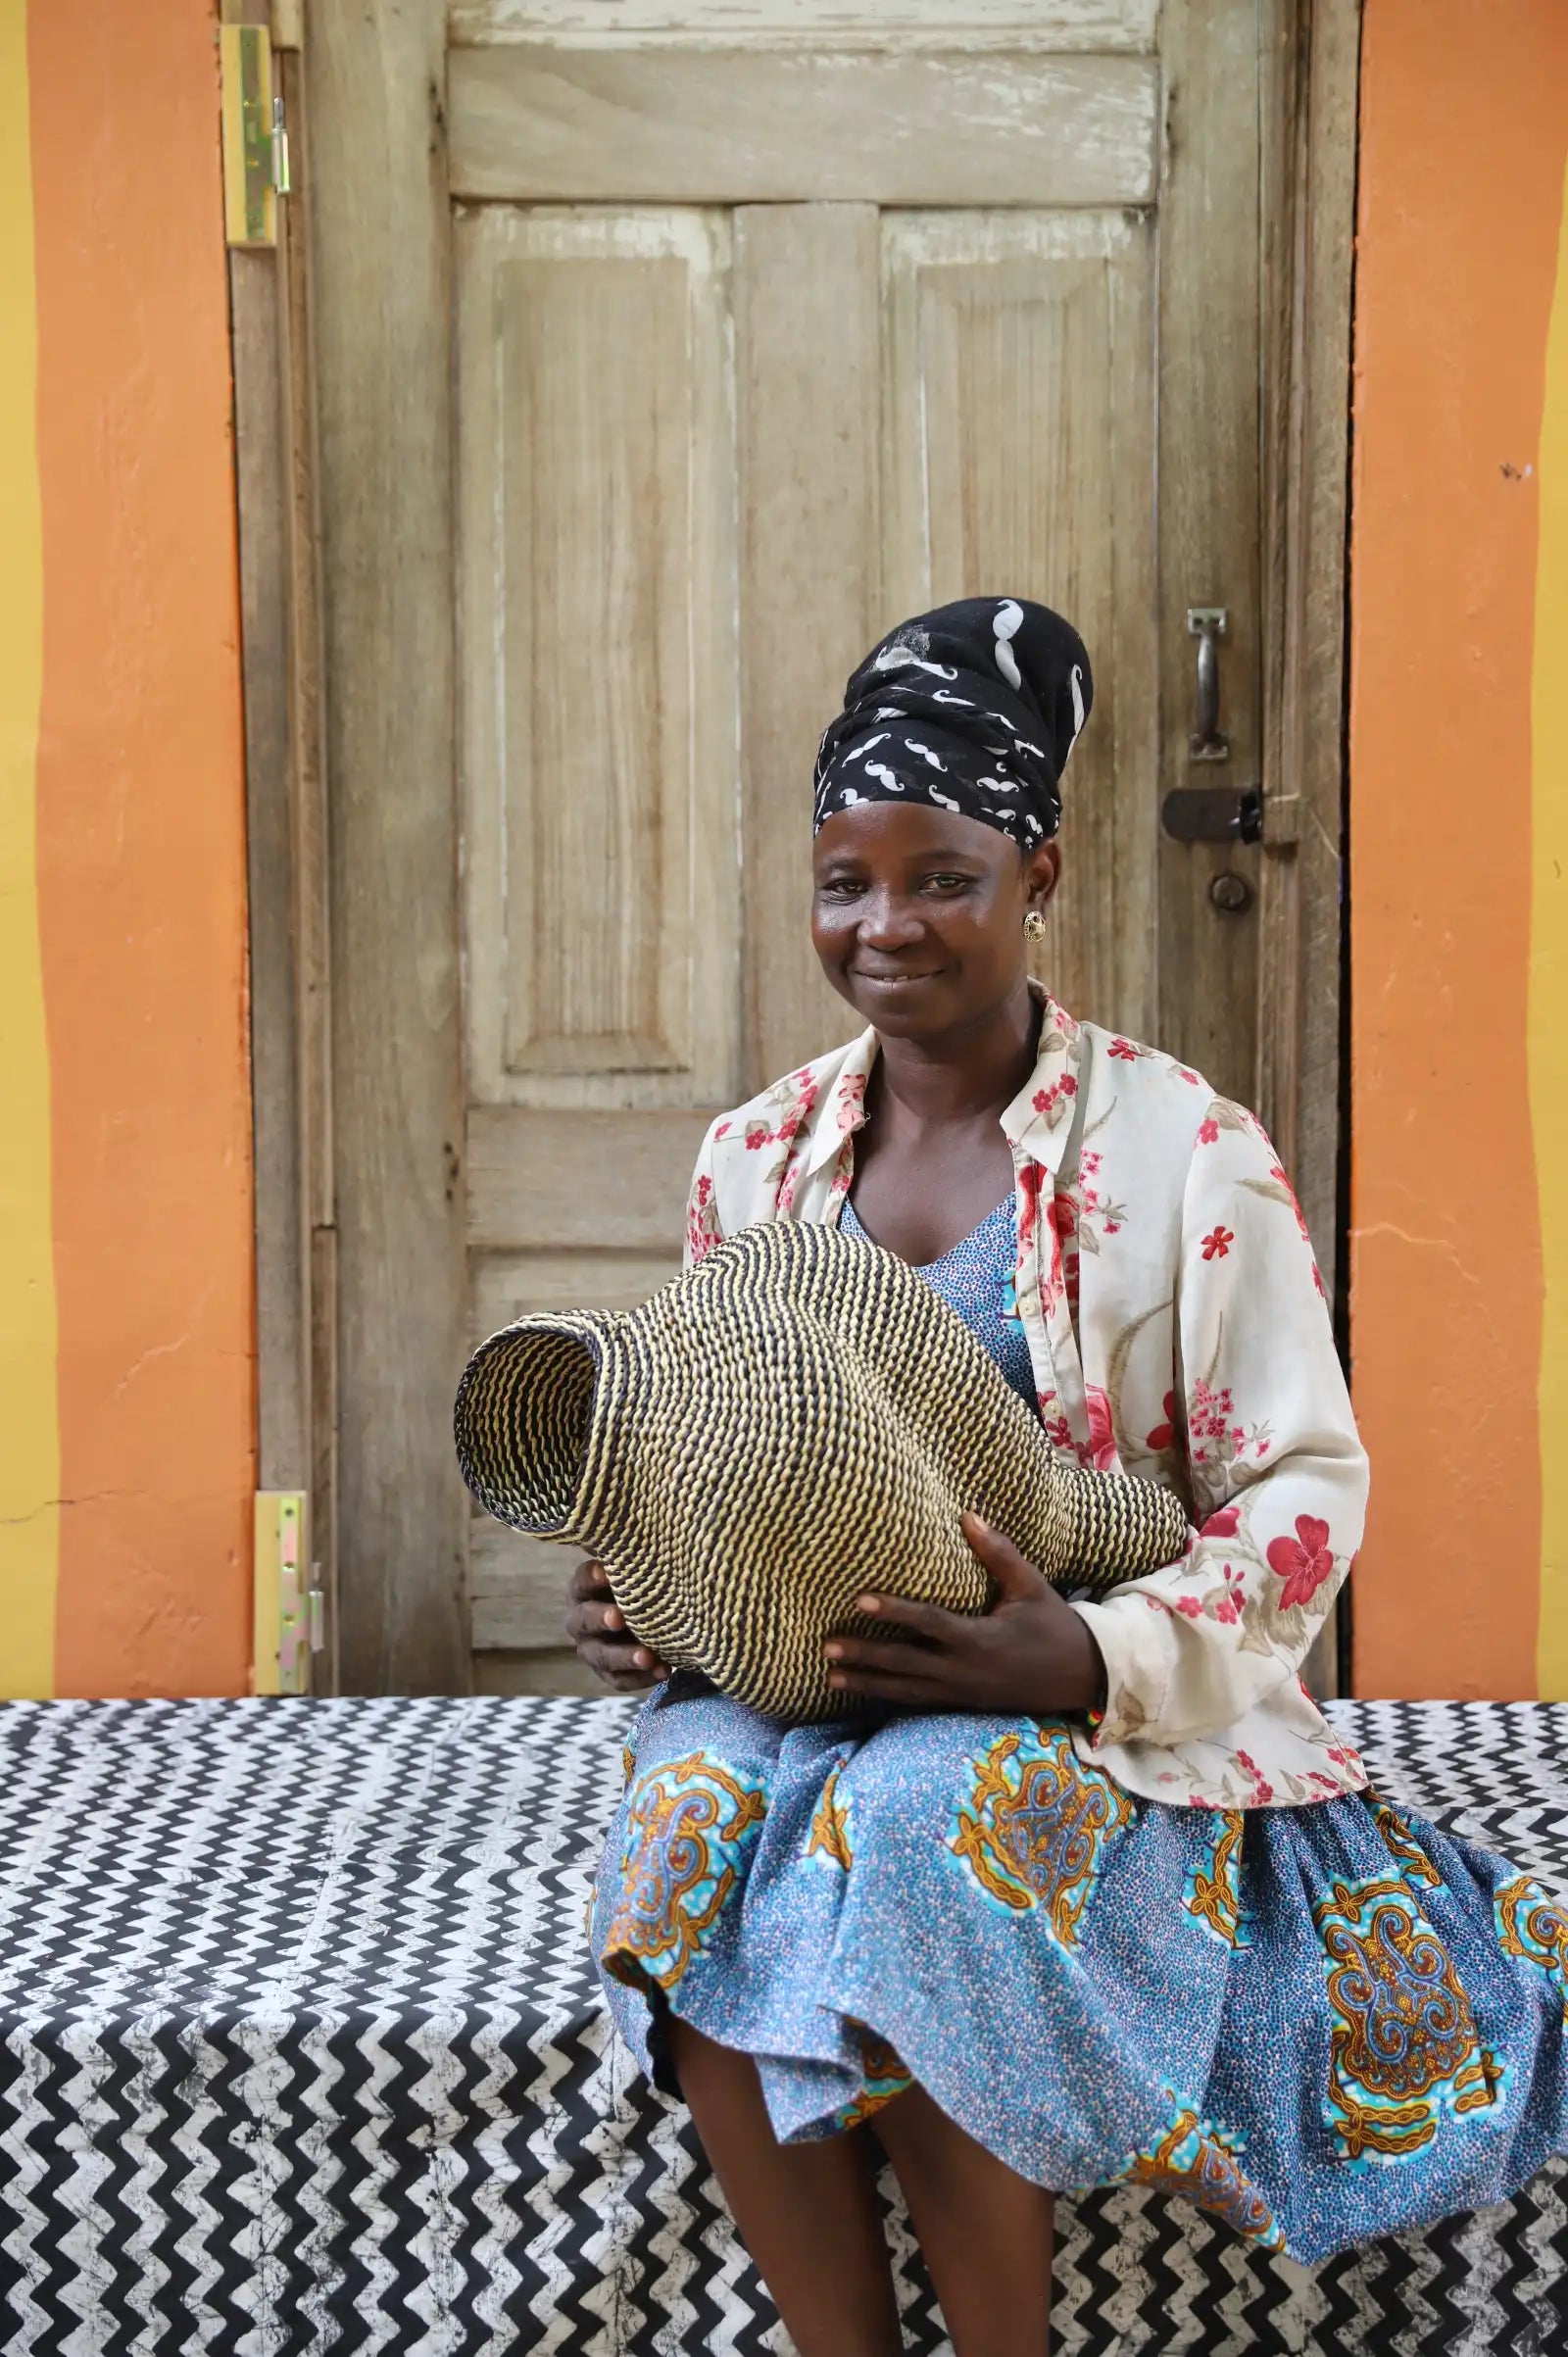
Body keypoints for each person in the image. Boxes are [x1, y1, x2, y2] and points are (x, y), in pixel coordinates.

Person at [565, 598, 1568, 2357]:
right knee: (687, 1803)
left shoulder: (1186, 1152)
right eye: (845, 882)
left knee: (922, 1821)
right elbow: (690, 1431)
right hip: (809, 1688)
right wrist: (644, 1583)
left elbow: (1304, 1495)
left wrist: (1086, 1654)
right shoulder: (757, 1157)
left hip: (1096, 1716)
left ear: (1039, 874)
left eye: (942, 877)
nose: (886, 925)